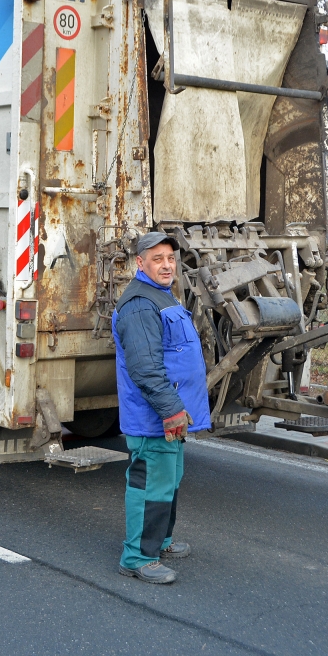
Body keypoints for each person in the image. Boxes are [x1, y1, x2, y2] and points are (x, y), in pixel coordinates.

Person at [112, 232, 211, 583]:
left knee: (168, 480)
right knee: (151, 485)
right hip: (153, 416)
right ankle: (137, 557)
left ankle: (160, 541)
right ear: (140, 263)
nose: (167, 265)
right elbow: (145, 368)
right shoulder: (140, 305)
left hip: (169, 414)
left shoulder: (160, 296)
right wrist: (171, 410)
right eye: (158, 259)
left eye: (170, 257)